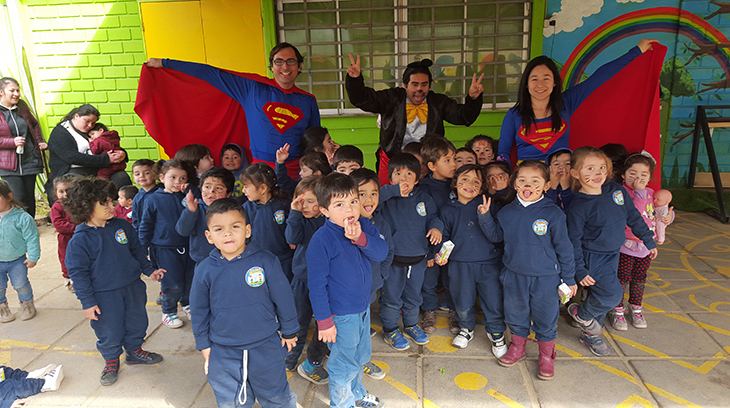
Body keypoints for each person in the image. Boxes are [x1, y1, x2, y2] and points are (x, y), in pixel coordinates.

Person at [144, 43, 321, 178]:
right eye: (279, 62)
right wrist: (165, 63)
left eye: (291, 61)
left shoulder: (308, 100)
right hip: (260, 171)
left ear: (299, 66)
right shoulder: (252, 88)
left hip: (296, 171)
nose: (285, 67)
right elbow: (210, 73)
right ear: (272, 66)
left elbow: (314, 139)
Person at [190, 198, 299, 408]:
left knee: (276, 395)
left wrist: (290, 330)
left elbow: (284, 297)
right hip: (224, 349)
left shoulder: (266, 261)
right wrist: (203, 344)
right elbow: (199, 310)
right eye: (219, 229)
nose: (228, 234)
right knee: (231, 400)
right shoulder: (204, 270)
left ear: (247, 230)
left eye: (235, 227)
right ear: (209, 236)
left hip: (266, 344)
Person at [63, 177, 165, 386]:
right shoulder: (80, 241)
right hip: (104, 296)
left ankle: (134, 351)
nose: (112, 206)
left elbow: (137, 250)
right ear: (86, 207)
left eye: (111, 201)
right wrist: (88, 303)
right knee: (109, 330)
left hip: (133, 287)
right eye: (104, 203)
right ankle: (111, 360)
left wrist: (149, 270)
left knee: (137, 322)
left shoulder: (121, 226)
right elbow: (79, 275)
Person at [479, 161, 576, 380]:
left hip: (546, 278)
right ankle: (518, 347)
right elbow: (497, 237)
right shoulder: (507, 212)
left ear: (546, 185)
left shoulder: (553, 214)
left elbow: (565, 248)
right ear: (515, 184)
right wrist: (484, 217)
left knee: (546, 316)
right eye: (522, 180)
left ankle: (546, 355)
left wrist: (569, 278)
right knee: (515, 313)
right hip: (514, 275)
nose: (528, 185)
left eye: (535, 181)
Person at [498, 39, 657, 166]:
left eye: (546, 79)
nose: (540, 85)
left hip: (562, 177)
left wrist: (635, 52)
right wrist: (504, 178)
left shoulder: (566, 103)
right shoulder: (514, 115)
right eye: (534, 79)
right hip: (529, 181)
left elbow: (598, 78)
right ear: (526, 84)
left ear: (554, 83)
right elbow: (503, 152)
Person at [306, 172, 388, 408]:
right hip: (340, 315)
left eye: (353, 201)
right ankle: (342, 404)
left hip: (362, 309)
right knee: (343, 363)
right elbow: (316, 286)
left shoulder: (364, 225)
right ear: (325, 210)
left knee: (359, 357)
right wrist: (324, 322)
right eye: (339, 205)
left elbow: (381, 252)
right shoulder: (322, 240)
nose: (350, 209)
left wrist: (361, 238)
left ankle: (357, 394)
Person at [565, 147, 656, 356]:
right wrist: (579, 269)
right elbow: (573, 241)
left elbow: (633, 216)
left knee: (600, 294)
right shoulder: (578, 206)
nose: (597, 173)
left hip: (614, 253)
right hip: (593, 257)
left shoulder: (616, 190)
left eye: (601, 168)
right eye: (590, 168)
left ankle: (590, 334)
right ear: (575, 173)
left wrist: (648, 239)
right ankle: (581, 313)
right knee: (613, 294)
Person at [345, 55, 484, 185]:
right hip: (392, 157)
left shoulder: (438, 102)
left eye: (424, 84)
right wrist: (354, 80)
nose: (419, 89)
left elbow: (464, 117)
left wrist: (473, 99)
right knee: (387, 193)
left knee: (429, 193)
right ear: (405, 85)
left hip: (428, 162)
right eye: (415, 84)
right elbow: (363, 100)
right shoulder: (392, 98)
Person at [436, 164, 510, 356]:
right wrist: (440, 254)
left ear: (482, 186)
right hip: (459, 265)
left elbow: (497, 236)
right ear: (455, 183)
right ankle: (466, 328)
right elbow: (444, 237)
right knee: (462, 300)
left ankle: (496, 333)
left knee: (493, 300)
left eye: (476, 181)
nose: (470, 185)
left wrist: (485, 216)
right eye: (464, 180)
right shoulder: (448, 209)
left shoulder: (488, 204)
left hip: (488, 264)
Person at [378, 153, 443, 350]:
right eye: (398, 174)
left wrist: (436, 228)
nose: (403, 178)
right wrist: (391, 191)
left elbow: (434, 217)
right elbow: (372, 202)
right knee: (391, 298)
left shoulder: (424, 199)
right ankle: (390, 330)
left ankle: (411, 325)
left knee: (414, 296)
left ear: (417, 178)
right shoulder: (386, 199)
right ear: (390, 178)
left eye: (409, 174)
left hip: (418, 260)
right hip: (393, 260)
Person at [610, 153, 672, 331]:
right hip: (625, 246)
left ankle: (636, 307)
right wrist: (639, 192)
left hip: (645, 246)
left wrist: (669, 217)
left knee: (639, 278)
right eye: (632, 174)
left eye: (644, 175)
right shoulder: (619, 193)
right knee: (621, 278)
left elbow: (660, 211)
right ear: (623, 175)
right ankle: (617, 308)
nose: (638, 178)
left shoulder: (651, 193)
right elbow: (634, 214)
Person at [139, 159, 196, 329]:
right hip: (165, 249)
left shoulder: (187, 196)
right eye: (173, 177)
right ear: (162, 177)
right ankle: (169, 311)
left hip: (188, 246)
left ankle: (187, 304)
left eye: (182, 178)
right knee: (172, 283)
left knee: (189, 280)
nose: (178, 182)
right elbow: (146, 225)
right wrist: (142, 248)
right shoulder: (153, 199)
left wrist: (190, 193)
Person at [283, 177, 328, 381]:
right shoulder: (299, 219)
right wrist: (294, 212)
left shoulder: (328, 221)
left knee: (323, 321)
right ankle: (291, 353)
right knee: (299, 321)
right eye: (301, 201)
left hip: (325, 283)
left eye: (311, 201)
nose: (305, 206)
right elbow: (291, 238)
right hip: (302, 280)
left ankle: (319, 352)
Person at [350, 168, 393, 380]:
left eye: (374, 193)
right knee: (347, 334)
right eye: (362, 194)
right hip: (347, 295)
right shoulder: (346, 227)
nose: (369, 199)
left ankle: (361, 360)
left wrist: (381, 276)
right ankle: (316, 361)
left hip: (368, 291)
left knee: (362, 329)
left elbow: (388, 251)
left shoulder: (379, 223)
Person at [416, 136, 457, 334]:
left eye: (454, 159)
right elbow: (422, 221)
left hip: (454, 243)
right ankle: (429, 311)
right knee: (429, 281)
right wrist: (429, 251)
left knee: (453, 279)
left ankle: (454, 310)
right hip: (431, 244)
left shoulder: (457, 184)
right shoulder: (423, 189)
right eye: (447, 160)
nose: (453, 164)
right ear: (432, 165)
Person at [45, 104, 128, 202]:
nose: (90, 126)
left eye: (93, 123)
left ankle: (122, 207)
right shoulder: (60, 133)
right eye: (87, 121)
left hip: (99, 169)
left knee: (121, 177)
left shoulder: (92, 130)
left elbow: (108, 144)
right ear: (76, 116)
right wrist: (105, 159)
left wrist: (122, 154)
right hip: (72, 171)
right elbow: (72, 157)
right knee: (82, 185)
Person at [0, 77, 47, 218]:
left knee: (29, 197)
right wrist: (11, 142)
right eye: (12, 91)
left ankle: (30, 225)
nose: (16, 94)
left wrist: (40, 141)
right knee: (17, 197)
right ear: (1, 92)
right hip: (8, 165)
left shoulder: (22, 107)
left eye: (18, 90)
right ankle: (18, 225)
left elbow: (34, 124)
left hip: (29, 160)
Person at [241, 163, 294, 281]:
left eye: (246, 186)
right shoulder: (246, 208)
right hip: (258, 260)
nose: (243, 191)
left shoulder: (283, 204)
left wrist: (293, 239)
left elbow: (293, 226)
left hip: (284, 259)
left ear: (263, 188)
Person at [176, 167, 234, 265]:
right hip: (202, 260)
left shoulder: (233, 211)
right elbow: (183, 231)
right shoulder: (196, 208)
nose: (212, 191)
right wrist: (191, 211)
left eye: (219, 188)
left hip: (229, 260)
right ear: (201, 188)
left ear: (228, 194)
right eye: (207, 187)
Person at [0, 180, 40, 323]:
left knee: (21, 284)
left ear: (9, 196)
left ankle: (27, 305)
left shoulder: (22, 218)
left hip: (17, 260)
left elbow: (32, 238)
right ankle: (2, 309)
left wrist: (33, 257)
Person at [50, 175, 79, 292]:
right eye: (61, 191)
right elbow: (58, 223)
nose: (65, 194)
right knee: (67, 258)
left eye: (69, 191)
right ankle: (70, 279)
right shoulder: (57, 207)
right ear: (56, 193)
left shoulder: (79, 204)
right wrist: (75, 228)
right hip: (66, 239)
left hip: (81, 237)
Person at [130, 159, 160, 233]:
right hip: (144, 233)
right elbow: (136, 219)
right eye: (137, 174)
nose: (142, 176)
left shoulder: (161, 194)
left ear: (156, 175)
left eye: (147, 173)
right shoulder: (137, 197)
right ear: (133, 177)